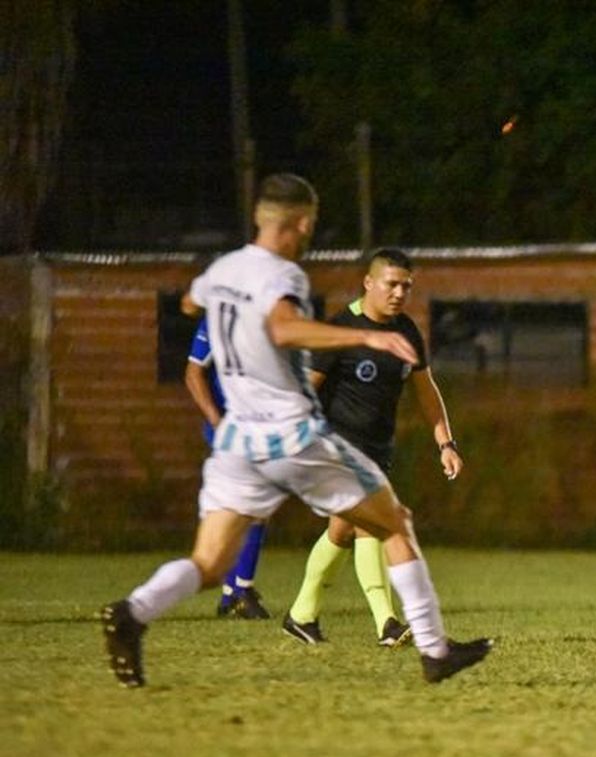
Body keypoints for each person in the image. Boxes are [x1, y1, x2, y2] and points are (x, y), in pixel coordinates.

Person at [100, 173, 491, 686]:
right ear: (302, 222)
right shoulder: (283, 276)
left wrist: (227, 310)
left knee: (209, 562)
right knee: (395, 521)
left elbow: (191, 304)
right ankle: (434, 650)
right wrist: (365, 341)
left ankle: (132, 613)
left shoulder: (225, 269)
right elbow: (283, 327)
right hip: (290, 434)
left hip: (238, 441)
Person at [282, 247, 462, 647]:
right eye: (391, 284)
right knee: (374, 524)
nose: (399, 293)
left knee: (342, 531)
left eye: (406, 286)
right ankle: (388, 624)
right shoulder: (341, 331)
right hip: (337, 447)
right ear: (368, 283)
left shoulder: (406, 331)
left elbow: (426, 391)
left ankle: (300, 616)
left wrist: (445, 443)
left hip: (378, 449)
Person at [184, 318, 271, 618]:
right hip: (232, 430)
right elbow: (193, 373)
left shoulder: (274, 316)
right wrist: (216, 420)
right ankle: (239, 590)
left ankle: (232, 593)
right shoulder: (217, 321)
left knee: (249, 508)